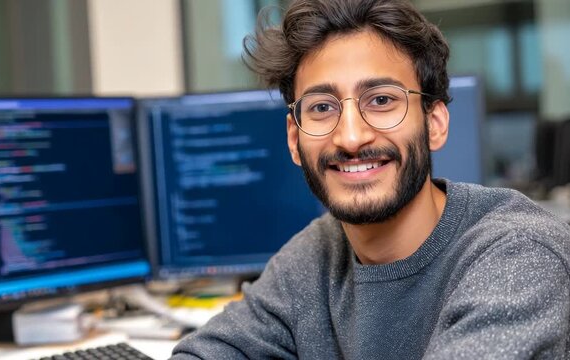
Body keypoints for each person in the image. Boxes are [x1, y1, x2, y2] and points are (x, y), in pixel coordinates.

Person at [171, 0, 570, 358]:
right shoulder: (317, 254)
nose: (350, 137)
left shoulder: (518, 253)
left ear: (434, 123)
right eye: (322, 107)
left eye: (381, 100)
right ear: (294, 140)